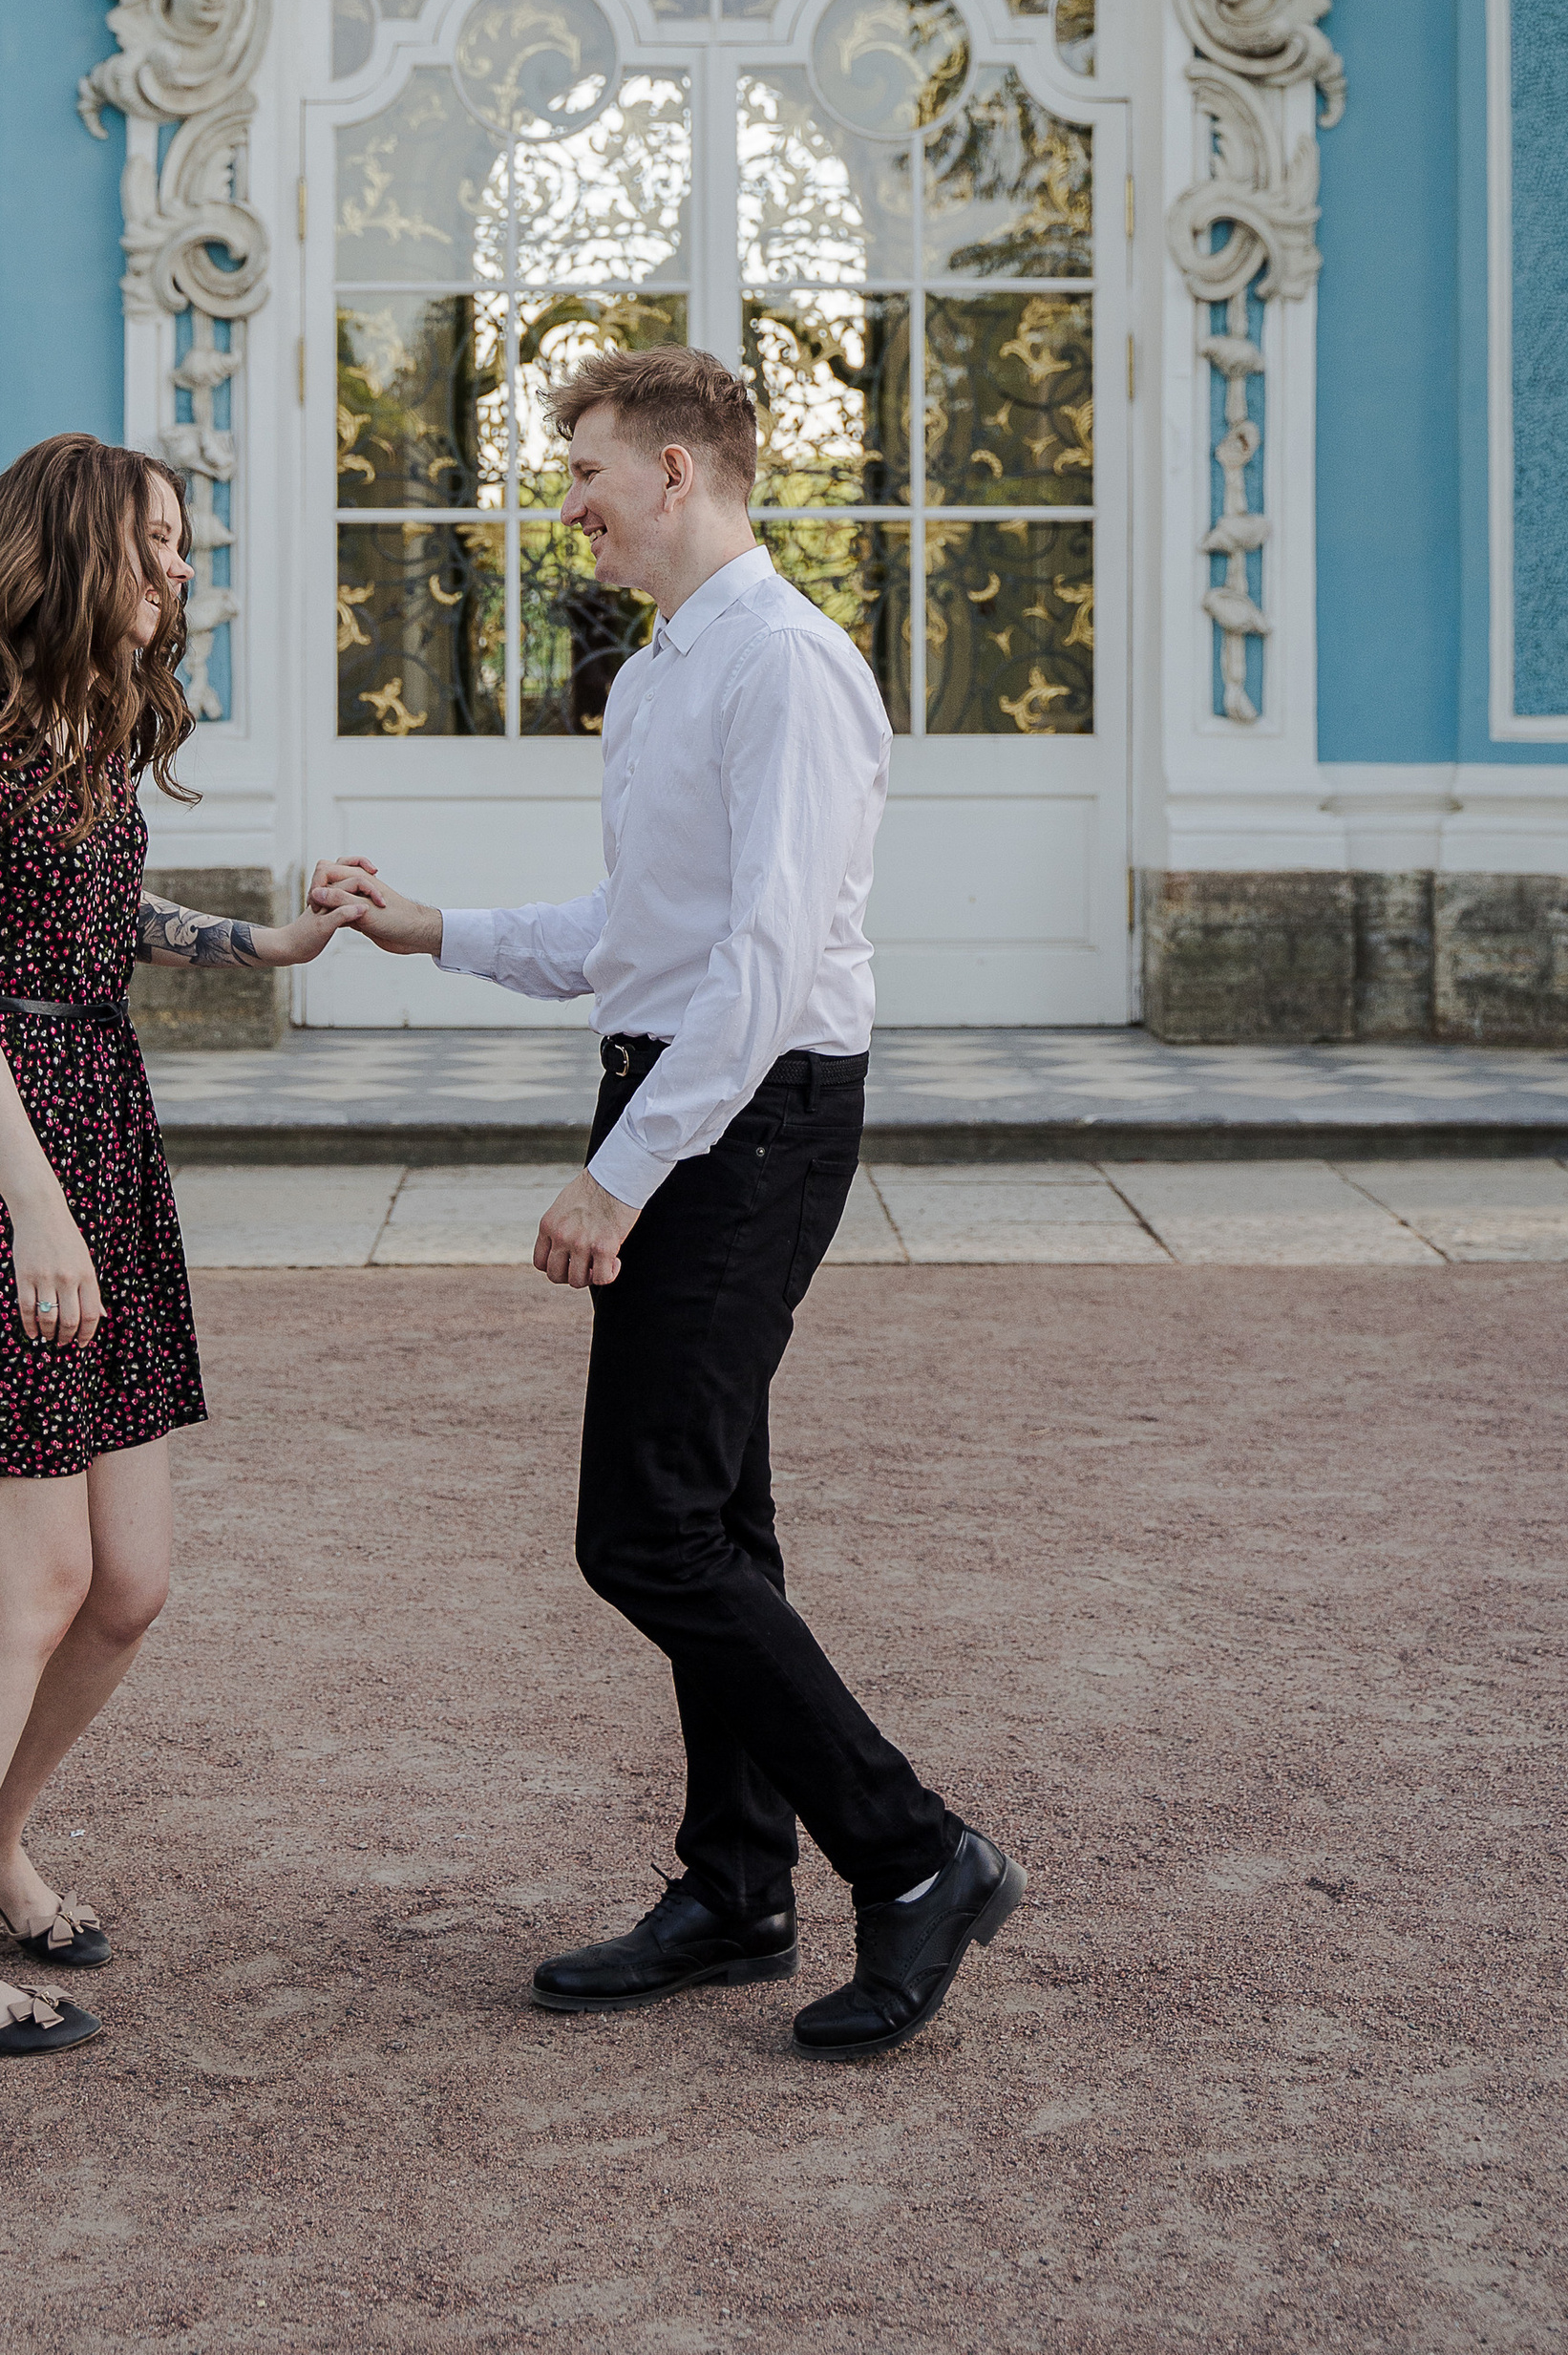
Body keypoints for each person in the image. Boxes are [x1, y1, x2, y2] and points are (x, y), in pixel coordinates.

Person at [322, 347, 1024, 2061]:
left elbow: (769, 967)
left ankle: (917, 1853)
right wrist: (438, 931)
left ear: (683, 469)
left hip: (754, 1116)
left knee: (645, 1534)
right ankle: (737, 1887)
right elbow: (641, 933)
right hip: (690, 1084)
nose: (569, 505)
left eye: (587, 472)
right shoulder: (658, 677)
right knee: (718, 1522)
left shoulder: (788, 663)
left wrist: (619, 1173)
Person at [0, 433, 361, 2057]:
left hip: (98, 1141)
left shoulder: (91, 734)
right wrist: (40, 1204)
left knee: (128, 1584)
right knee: (29, 1586)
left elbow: (107, 921)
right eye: (159, 544)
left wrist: (267, 940)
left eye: (185, 545)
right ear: (67, 552)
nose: (182, 572)